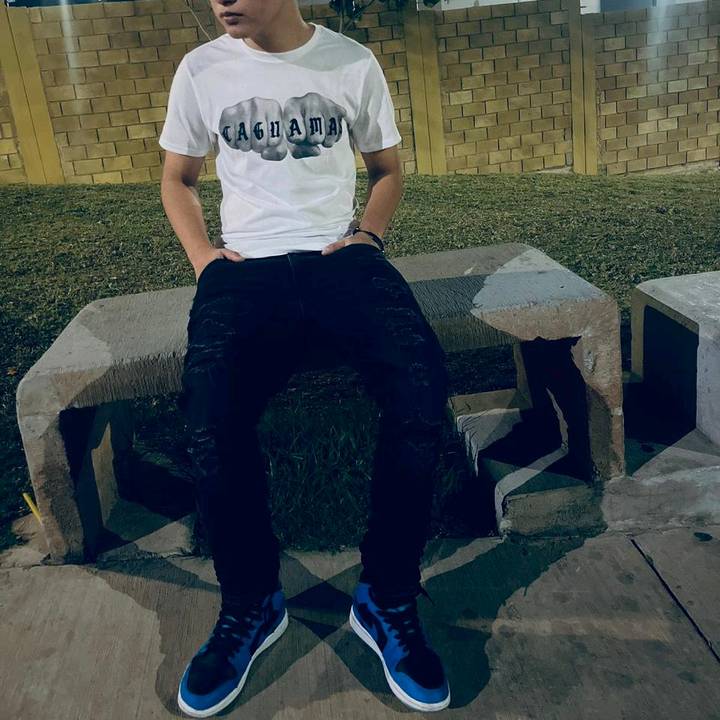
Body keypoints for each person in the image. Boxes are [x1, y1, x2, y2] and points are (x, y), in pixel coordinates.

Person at [158, 1, 451, 715]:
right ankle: (251, 602)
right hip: (244, 270)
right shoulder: (200, 69)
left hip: (337, 258)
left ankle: (385, 596)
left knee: (420, 390)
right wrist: (205, 261)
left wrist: (368, 236)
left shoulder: (350, 61)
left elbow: (386, 169)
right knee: (209, 416)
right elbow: (177, 178)